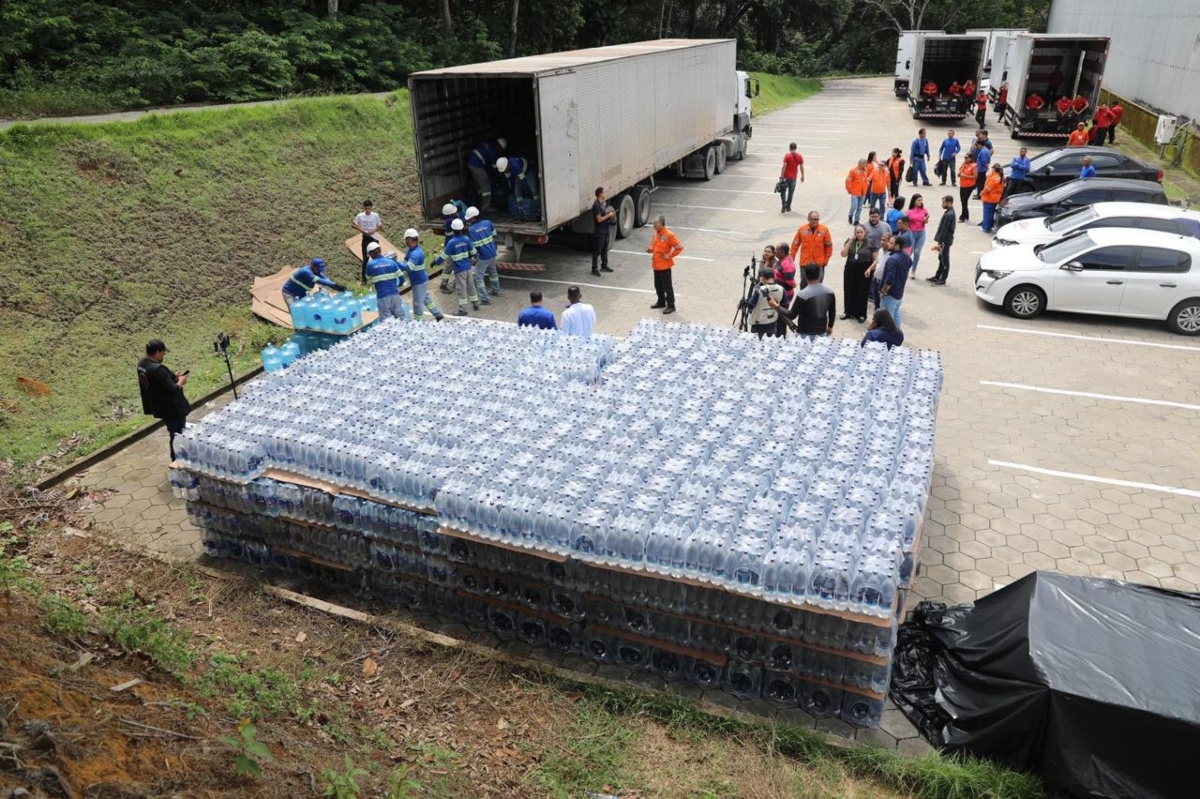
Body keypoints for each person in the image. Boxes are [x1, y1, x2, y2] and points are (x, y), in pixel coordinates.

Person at [137, 340, 189, 462]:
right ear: (157, 353)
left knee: (173, 432)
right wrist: (181, 381)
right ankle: (177, 459)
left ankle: (177, 458)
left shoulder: (142, 365)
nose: (163, 356)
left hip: (159, 405)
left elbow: (157, 382)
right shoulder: (158, 369)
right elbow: (172, 389)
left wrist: (171, 376)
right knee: (177, 434)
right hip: (172, 408)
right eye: (163, 353)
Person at [772, 264, 835, 338]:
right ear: (819, 274)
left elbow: (792, 315)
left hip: (804, 334)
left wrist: (777, 306)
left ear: (805, 275)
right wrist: (830, 326)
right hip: (821, 332)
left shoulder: (803, 294)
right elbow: (832, 311)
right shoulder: (829, 291)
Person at [432, 218, 479, 316]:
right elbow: (474, 252)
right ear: (462, 228)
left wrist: (435, 262)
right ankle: (476, 304)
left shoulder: (451, 242)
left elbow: (444, 256)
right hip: (468, 268)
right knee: (471, 286)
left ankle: (463, 310)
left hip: (459, 269)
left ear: (453, 230)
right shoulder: (466, 239)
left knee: (461, 289)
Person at [400, 229, 444, 321]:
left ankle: (418, 322)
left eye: (407, 240)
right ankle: (437, 314)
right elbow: (405, 260)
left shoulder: (416, 254)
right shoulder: (410, 250)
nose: (406, 242)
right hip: (420, 280)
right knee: (425, 298)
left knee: (417, 303)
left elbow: (408, 267)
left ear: (410, 239)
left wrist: (396, 263)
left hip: (419, 282)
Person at [364, 241, 410, 321]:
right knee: (401, 318)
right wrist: (398, 285)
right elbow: (401, 278)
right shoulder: (391, 262)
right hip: (395, 295)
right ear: (380, 250)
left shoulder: (370, 265)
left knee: (387, 322)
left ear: (371, 254)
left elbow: (368, 278)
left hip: (382, 297)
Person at [647, 215, 683, 314]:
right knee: (658, 285)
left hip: (665, 266)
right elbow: (654, 244)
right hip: (656, 265)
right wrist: (651, 249)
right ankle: (661, 301)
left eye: (655, 223)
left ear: (661, 224)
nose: (653, 225)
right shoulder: (656, 233)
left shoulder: (669, 235)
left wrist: (670, 256)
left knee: (667, 286)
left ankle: (671, 305)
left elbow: (679, 247)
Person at [840, 224, 875, 323]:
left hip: (864, 269)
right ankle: (848, 312)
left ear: (865, 232)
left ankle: (861, 314)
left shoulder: (870, 242)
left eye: (861, 232)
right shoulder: (850, 241)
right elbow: (843, 254)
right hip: (850, 268)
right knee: (849, 290)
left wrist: (871, 269)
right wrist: (850, 241)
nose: (859, 234)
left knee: (862, 292)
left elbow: (875, 259)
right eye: (857, 232)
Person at [463, 206, 499, 303]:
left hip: (483, 256)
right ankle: (496, 290)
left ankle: (484, 299)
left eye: (469, 219)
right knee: (493, 273)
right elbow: (495, 236)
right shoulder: (488, 222)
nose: (468, 221)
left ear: (474, 217)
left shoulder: (472, 229)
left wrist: (473, 257)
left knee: (478, 277)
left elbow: (475, 246)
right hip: (492, 253)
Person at [791, 211, 834, 284]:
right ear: (808, 219)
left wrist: (826, 259)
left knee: (818, 284)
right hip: (805, 263)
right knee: (804, 284)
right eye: (813, 219)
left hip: (819, 263)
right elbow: (795, 244)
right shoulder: (802, 229)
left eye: (817, 219)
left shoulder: (824, 229)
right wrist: (791, 258)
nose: (815, 221)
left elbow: (828, 245)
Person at [879, 235, 912, 327]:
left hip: (890, 295)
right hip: (899, 294)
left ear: (897, 246)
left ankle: (886, 338)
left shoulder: (892, 260)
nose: (888, 244)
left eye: (891, 243)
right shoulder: (906, 256)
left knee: (886, 319)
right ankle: (897, 336)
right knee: (896, 316)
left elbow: (890, 279)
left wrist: (883, 291)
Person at [743, 266, 784, 338]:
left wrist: (748, 299)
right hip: (772, 323)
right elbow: (784, 305)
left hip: (758, 325)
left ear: (763, 278)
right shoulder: (781, 289)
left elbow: (750, 306)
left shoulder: (759, 290)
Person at [466, 138, 507, 209]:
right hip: (476, 165)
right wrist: (498, 178)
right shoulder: (493, 152)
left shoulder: (488, 145)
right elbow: (494, 169)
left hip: (471, 162)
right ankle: (486, 206)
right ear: (499, 147)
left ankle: (479, 201)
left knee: (479, 184)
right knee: (486, 185)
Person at [352, 199, 382, 283]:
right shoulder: (360, 216)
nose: (368, 210)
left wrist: (373, 231)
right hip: (365, 238)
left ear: (371, 208)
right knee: (365, 258)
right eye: (366, 208)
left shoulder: (375, 215)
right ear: (364, 208)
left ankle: (378, 275)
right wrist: (361, 229)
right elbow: (353, 224)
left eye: (369, 208)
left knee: (377, 257)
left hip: (374, 237)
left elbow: (379, 226)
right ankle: (364, 279)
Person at [929, 195, 956, 285]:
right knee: (941, 258)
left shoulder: (949, 214)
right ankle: (937, 276)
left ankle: (943, 278)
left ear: (949, 202)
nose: (942, 204)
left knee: (944, 259)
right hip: (944, 240)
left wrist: (940, 242)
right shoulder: (949, 212)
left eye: (943, 202)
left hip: (945, 241)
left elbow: (944, 230)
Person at [774, 241, 797, 337]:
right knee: (781, 317)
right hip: (781, 293)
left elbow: (790, 281)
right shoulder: (783, 259)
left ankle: (781, 336)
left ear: (783, 252)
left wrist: (794, 285)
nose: (775, 251)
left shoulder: (786, 264)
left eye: (777, 250)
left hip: (784, 295)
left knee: (781, 318)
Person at [591, 187, 616, 276]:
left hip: (605, 230)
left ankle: (604, 265)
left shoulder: (602, 204)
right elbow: (599, 219)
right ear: (600, 194)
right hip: (600, 232)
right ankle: (594, 268)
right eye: (604, 192)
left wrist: (609, 213)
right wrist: (609, 216)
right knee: (597, 250)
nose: (606, 193)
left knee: (604, 249)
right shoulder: (596, 205)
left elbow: (603, 214)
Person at [905, 195, 930, 275]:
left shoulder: (923, 210)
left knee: (917, 252)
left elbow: (926, 221)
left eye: (921, 200)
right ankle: (905, 267)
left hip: (921, 232)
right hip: (912, 233)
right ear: (914, 201)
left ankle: (913, 270)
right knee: (909, 252)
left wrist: (926, 219)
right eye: (919, 200)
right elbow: (906, 223)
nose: (920, 202)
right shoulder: (909, 212)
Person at [779, 143, 805, 213]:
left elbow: (784, 166)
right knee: (791, 192)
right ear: (796, 148)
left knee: (783, 191)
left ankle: (783, 204)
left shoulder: (787, 156)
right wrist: (803, 176)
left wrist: (781, 176)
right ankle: (788, 207)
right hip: (793, 178)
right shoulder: (799, 156)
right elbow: (801, 167)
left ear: (790, 148)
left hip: (786, 177)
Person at [980, 164, 1005, 233]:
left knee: (988, 214)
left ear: (994, 169)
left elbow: (988, 188)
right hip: (994, 198)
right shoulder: (998, 177)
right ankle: (988, 226)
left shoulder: (995, 178)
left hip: (990, 198)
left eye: (992, 169)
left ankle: (986, 228)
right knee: (990, 213)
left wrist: (982, 192)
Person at [845, 159, 870, 225]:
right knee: (854, 206)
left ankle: (856, 220)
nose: (866, 165)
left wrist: (866, 185)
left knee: (860, 207)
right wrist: (849, 190)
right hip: (855, 192)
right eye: (865, 164)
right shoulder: (853, 171)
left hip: (863, 192)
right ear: (861, 164)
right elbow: (848, 180)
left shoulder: (866, 170)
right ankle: (850, 215)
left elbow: (865, 179)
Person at [957, 154, 977, 222]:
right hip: (962, 184)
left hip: (969, 186)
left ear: (971, 158)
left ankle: (963, 216)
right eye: (964, 158)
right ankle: (966, 215)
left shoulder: (974, 166)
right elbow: (960, 170)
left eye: (966, 158)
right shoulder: (964, 164)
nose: (965, 159)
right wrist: (959, 174)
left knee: (964, 200)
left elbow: (975, 176)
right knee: (962, 200)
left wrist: (965, 175)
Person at [867, 151, 889, 216]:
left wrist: (889, 191)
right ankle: (871, 217)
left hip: (883, 193)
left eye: (881, 165)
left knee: (882, 206)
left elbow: (888, 182)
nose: (879, 166)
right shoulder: (874, 171)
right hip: (874, 192)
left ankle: (881, 219)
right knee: (872, 206)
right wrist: (867, 181)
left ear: (885, 166)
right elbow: (869, 178)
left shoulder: (887, 173)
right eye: (879, 164)